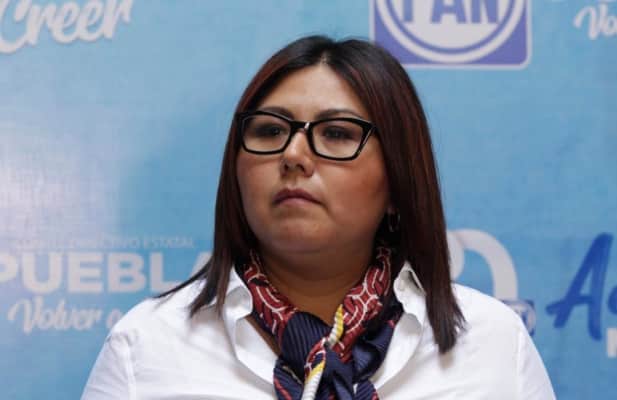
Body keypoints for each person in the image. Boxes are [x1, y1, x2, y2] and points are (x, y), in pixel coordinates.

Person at [81, 35, 555, 400]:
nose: (293, 155)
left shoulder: (493, 347)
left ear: (398, 181)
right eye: (270, 131)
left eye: (337, 134)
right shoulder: (146, 348)